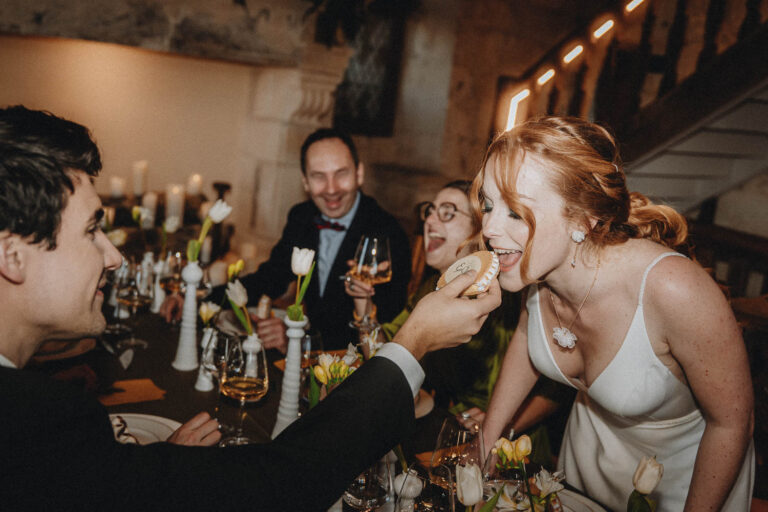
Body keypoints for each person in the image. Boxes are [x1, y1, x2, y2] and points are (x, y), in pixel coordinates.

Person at [0, 105, 500, 511]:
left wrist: (158, 471)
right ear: (11, 254)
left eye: (341, 174)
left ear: (359, 175)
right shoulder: (44, 424)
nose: (113, 256)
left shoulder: (385, 231)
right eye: (92, 230)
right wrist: (411, 344)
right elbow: (274, 484)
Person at [477, 116, 754, 510]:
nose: (488, 228)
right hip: (578, 477)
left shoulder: (674, 289)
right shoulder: (536, 270)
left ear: (583, 218)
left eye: (515, 212)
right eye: (487, 205)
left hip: (682, 489)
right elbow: (528, 338)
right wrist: (486, 444)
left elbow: (732, 423)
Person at [346, 180, 574, 464]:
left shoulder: (512, 292)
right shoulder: (433, 287)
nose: (429, 219)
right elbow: (390, 356)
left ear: (479, 229)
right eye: (430, 211)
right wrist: (364, 306)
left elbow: (559, 386)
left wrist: (503, 419)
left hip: (512, 448)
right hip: (447, 433)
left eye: (448, 212)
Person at [165, 128, 410, 352]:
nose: (331, 189)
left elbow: (386, 333)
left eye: (341, 174)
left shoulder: (388, 236)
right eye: (318, 176)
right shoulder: (302, 216)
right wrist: (195, 299)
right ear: (305, 181)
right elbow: (270, 278)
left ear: (359, 174)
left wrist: (299, 340)